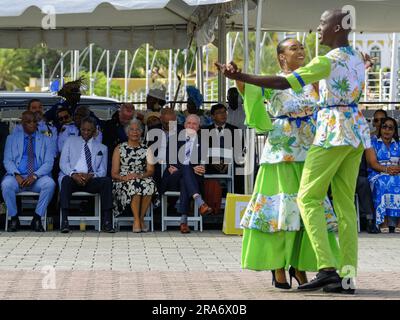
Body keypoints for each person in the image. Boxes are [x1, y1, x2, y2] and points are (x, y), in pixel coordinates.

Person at [216, 9, 372, 294]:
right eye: (294, 47)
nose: (316, 31)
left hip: (325, 137)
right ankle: (341, 273)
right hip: (317, 142)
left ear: (337, 27)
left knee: (306, 201)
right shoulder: (356, 57)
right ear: (280, 57)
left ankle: (325, 268)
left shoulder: (323, 64)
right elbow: (254, 93)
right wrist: (241, 79)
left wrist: (247, 75)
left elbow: (286, 82)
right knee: (327, 206)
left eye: (323, 25)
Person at [237, 38, 339, 289]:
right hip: (281, 152)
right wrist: (236, 75)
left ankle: (299, 265)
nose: (301, 51)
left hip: (311, 152)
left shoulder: (312, 80)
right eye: (294, 48)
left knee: (307, 211)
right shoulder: (272, 80)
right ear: (282, 57)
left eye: (302, 47)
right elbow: (245, 88)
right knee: (279, 210)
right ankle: (277, 266)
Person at [2, 111, 56, 232]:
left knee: (50, 184)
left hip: (37, 177)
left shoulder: (46, 140)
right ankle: (14, 218)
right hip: (17, 177)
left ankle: (37, 218)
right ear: (22, 123)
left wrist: (35, 176)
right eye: (28, 122)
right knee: (6, 185)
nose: (32, 124)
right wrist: (17, 175)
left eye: (34, 122)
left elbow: (49, 163)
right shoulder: (11, 139)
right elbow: (7, 160)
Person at [58, 117, 114, 233]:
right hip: (73, 177)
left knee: (107, 181)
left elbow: (102, 171)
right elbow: (63, 163)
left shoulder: (102, 148)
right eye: (83, 130)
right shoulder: (70, 141)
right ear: (80, 129)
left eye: (89, 130)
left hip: (90, 179)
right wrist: (74, 174)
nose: (86, 133)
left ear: (94, 131)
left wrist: (91, 175)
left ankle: (107, 221)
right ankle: (64, 221)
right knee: (65, 181)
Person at [158, 114, 213, 233]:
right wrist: (192, 168)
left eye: (194, 124)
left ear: (199, 127)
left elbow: (203, 162)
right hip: (173, 179)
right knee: (187, 169)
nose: (191, 126)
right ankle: (200, 203)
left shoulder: (203, 142)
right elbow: (171, 161)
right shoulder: (174, 139)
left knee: (185, 179)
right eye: (189, 123)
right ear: (184, 125)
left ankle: (184, 222)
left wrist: (202, 168)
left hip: (190, 180)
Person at [111, 119, 159, 232]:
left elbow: (151, 170)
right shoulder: (119, 148)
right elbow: (113, 173)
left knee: (150, 184)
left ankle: (139, 219)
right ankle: (138, 220)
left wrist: (139, 175)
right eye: (131, 130)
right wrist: (125, 177)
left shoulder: (147, 149)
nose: (134, 132)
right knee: (135, 185)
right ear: (127, 132)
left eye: (137, 130)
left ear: (141, 132)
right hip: (122, 180)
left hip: (141, 177)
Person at [366, 117, 400, 234]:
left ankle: (399, 223)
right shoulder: (372, 143)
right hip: (377, 173)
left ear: (394, 130)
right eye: (384, 126)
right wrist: (387, 169)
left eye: (391, 128)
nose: (387, 130)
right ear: (380, 129)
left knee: (397, 180)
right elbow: (372, 163)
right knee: (383, 182)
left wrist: (397, 169)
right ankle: (383, 221)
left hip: (396, 173)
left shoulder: (398, 144)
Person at [102, 103, 136, 175]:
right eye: (124, 117)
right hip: (112, 159)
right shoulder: (110, 125)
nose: (126, 120)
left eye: (129, 118)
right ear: (119, 113)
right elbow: (106, 146)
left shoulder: (136, 127)